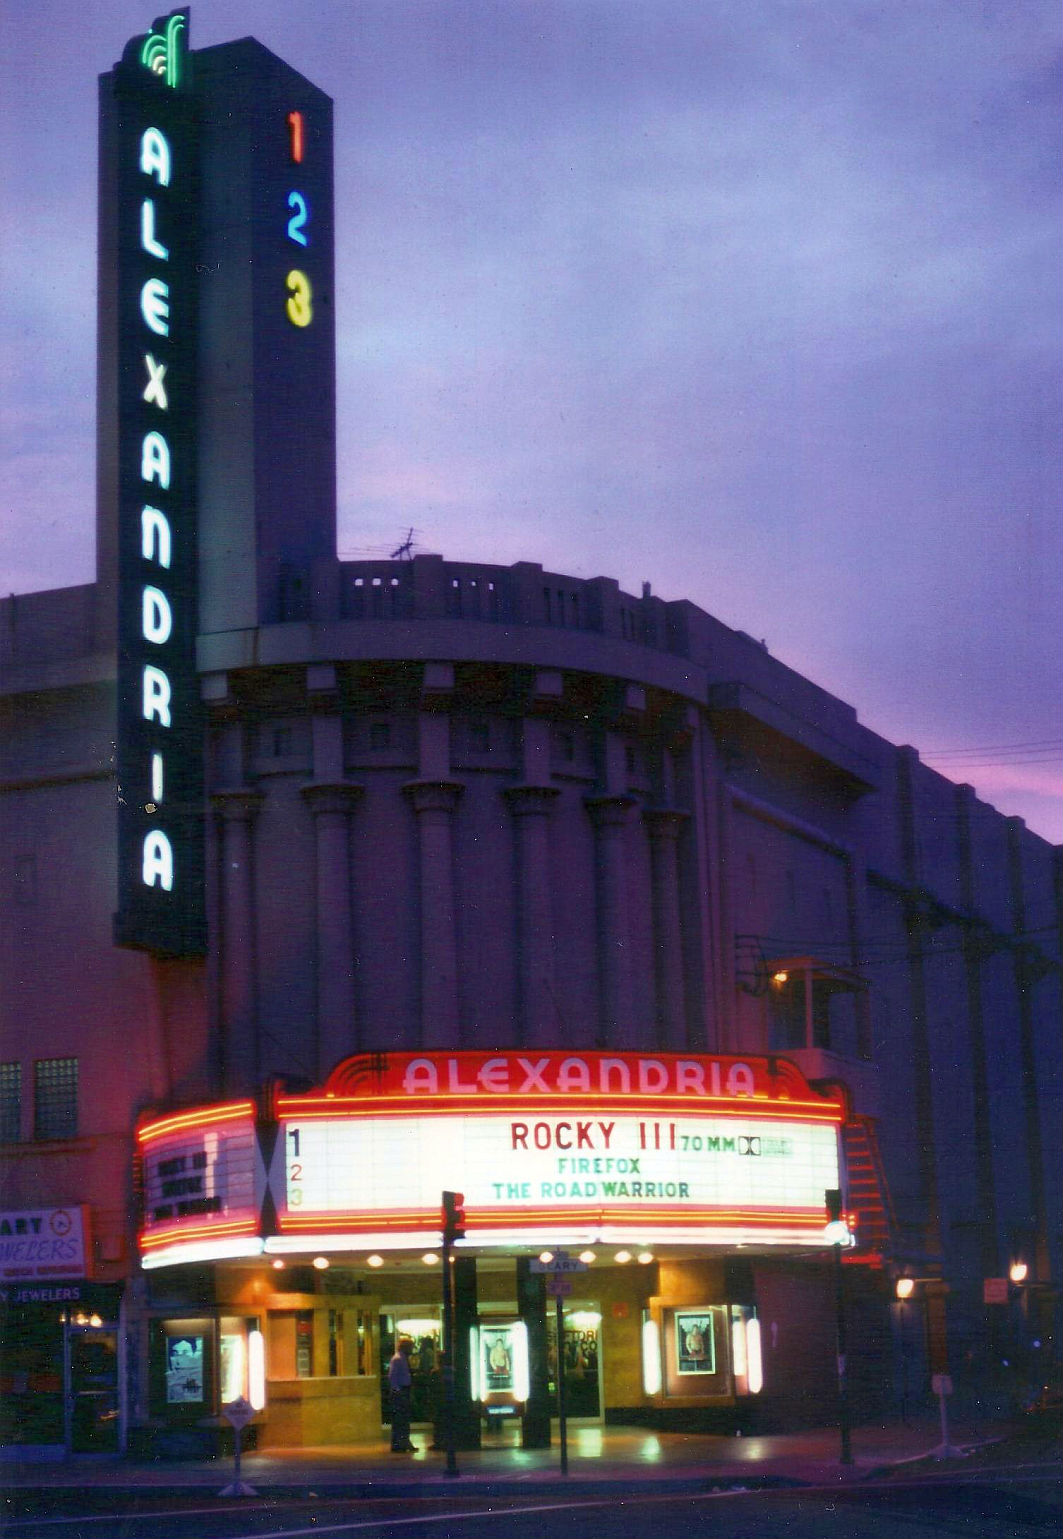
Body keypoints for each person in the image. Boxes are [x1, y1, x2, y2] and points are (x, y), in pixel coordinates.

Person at [388, 1338, 417, 1451]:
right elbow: (392, 1376)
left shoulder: (402, 1358)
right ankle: (400, 1443)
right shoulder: (398, 1359)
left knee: (402, 1419)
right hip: (400, 1392)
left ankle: (402, 1443)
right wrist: (398, 1390)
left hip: (403, 1390)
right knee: (401, 1419)